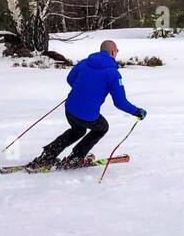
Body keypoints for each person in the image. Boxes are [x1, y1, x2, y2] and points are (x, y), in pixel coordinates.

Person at [29, 40, 147, 170]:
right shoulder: (113, 73)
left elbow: (70, 79)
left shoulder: (84, 63)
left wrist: (82, 90)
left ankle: (47, 156)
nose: (117, 53)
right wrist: (137, 111)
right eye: (117, 51)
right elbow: (120, 102)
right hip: (88, 114)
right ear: (113, 52)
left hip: (70, 109)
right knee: (102, 128)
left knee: (77, 131)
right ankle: (75, 158)